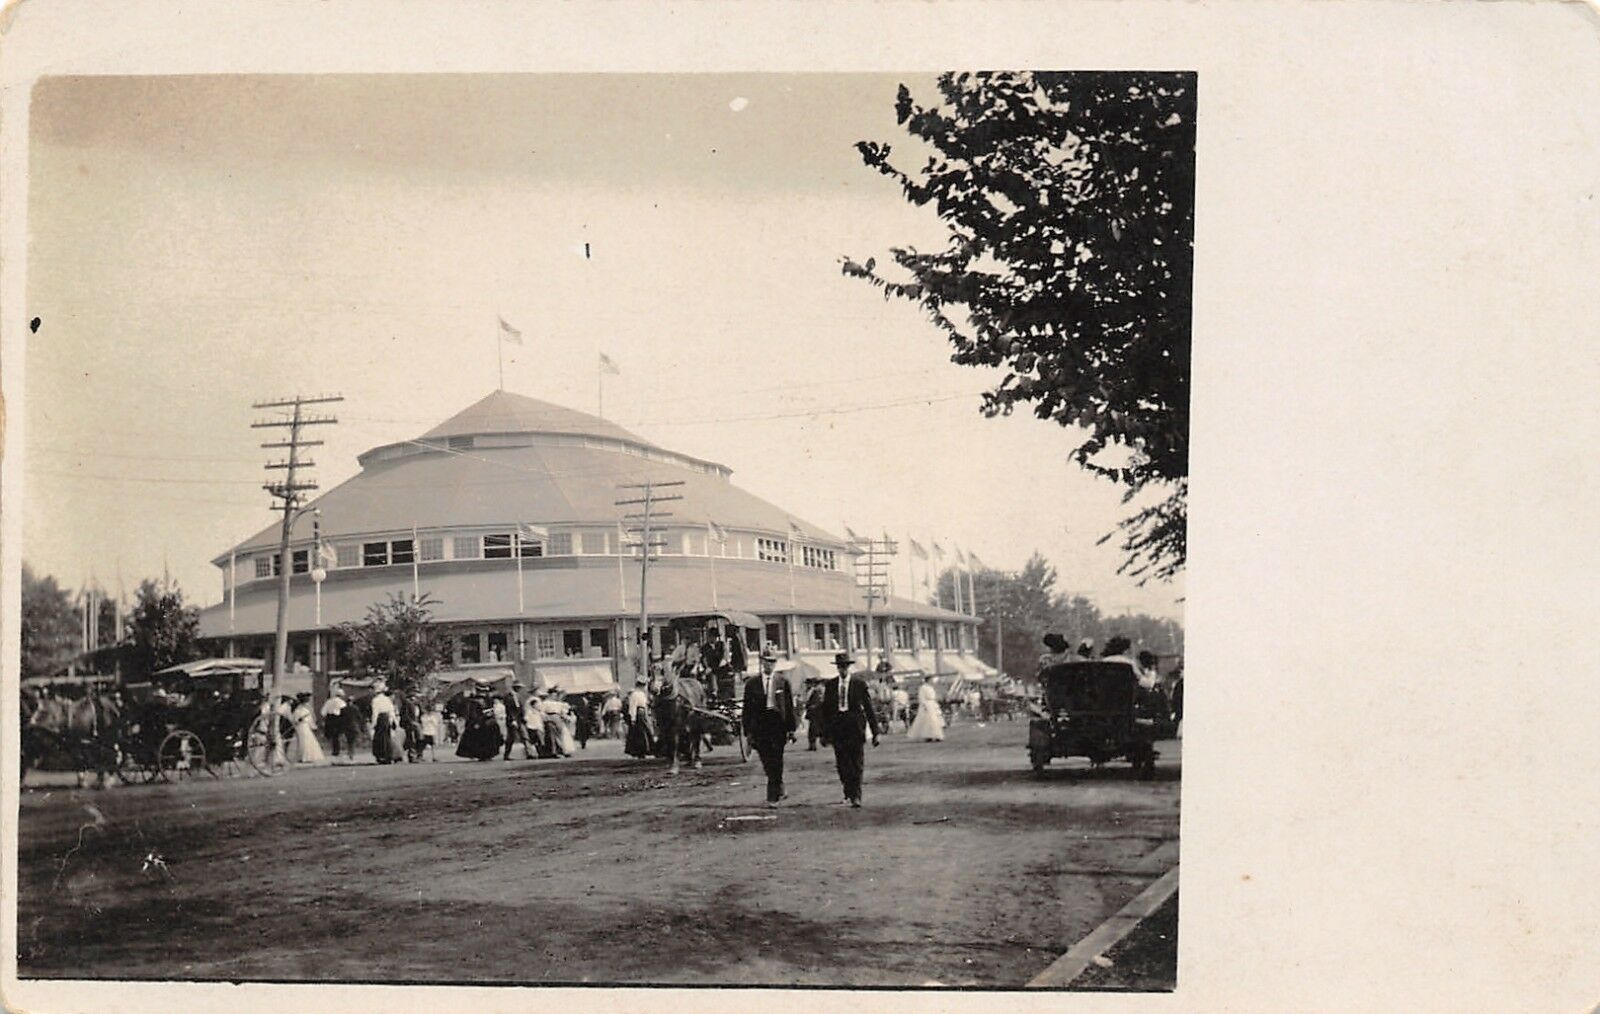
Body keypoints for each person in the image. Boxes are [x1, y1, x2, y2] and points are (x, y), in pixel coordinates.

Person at [819, 651, 881, 808]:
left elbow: (868, 708)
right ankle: (847, 792)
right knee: (842, 764)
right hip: (838, 728)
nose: (843, 670)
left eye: (845, 666)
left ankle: (856, 796)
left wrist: (875, 732)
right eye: (840, 667)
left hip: (855, 727)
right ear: (837, 668)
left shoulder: (859, 684)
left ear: (849, 667)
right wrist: (824, 733)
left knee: (856, 763)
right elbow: (825, 711)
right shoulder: (831, 685)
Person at [743, 644, 798, 807]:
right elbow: (747, 709)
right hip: (761, 726)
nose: (769, 665)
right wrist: (747, 731)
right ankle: (779, 785)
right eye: (766, 661)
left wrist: (791, 729)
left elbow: (788, 706)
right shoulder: (752, 684)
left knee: (777, 759)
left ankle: (772, 796)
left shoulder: (782, 682)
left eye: (772, 662)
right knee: (767, 761)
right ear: (761, 662)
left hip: (777, 726)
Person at [455, 684, 503, 761]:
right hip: (481, 722)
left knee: (487, 738)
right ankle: (482, 754)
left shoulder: (486, 700)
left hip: (486, 721)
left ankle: (487, 753)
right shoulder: (476, 701)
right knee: (480, 739)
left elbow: (490, 711)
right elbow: (473, 713)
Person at [291, 694, 329, 766]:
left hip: (305, 726)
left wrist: (313, 726)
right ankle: (301, 756)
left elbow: (310, 720)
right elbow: (294, 720)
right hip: (300, 727)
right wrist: (299, 720)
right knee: (302, 740)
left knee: (306, 740)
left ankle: (307, 757)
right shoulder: (297, 710)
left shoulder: (304, 710)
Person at [624, 676, 656, 759]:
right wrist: (633, 718)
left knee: (646, 732)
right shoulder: (634, 694)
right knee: (639, 734)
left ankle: (646, 750)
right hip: (638, 715)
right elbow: (633, 706)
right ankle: (639, 751)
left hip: (643, 714)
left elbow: (645, 705)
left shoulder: (642, 694)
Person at [320, 685, 355, 761]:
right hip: (338, 719)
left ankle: (335, 750)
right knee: (338, 735)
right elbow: (345, 712)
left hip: (329, 719)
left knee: (333, 736)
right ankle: (339, 749)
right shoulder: (341, 702)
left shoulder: (328, 701)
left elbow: (323, 712)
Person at [369, 681, 401, 764]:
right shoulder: (387, 699)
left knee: (379, 738)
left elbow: (375, 713)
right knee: (387, 738)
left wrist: (373, 724)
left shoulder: (375, 700)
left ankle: (381, 756)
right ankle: (388, 756)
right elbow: (391, 711)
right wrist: (395, 722)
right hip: (387, 719)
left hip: (380, 719)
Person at [908, 677, 945, 742]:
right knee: (926, 720)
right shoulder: (923, 687)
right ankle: (928, 736)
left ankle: (936, 735)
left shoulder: (931, 687)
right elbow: (921, 697)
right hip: (926, 704)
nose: (932, 681)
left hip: (932, 704)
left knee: (934, 720)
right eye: (931, 680)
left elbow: (933, 696)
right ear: (928, 680)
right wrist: (924, 705)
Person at [502, 681, 533, 761]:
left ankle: (529, 753)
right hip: (513, 719)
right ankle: (506, 754)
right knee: (511, 738)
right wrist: (513, 720)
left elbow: (521, 708)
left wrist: (524, 716)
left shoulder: (519, 696)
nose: (519, 689)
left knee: (524, 735)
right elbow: (509, 710)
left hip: (520, 719)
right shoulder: (509, 697)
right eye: (518, 687)